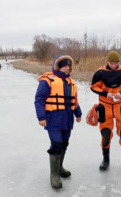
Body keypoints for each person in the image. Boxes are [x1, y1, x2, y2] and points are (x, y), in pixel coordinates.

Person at [34, 55, 82, 189]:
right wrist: (41, 117)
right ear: (58, 67)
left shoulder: (71, 83)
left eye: (68, 66)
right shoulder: (47, 81)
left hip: (67, 119)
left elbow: (75, 101)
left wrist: (78, 114)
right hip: (53, 119)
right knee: (56, 144)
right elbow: (39, 100)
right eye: (64, 65)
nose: (67, 68)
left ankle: (60, 168)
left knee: (64, 143)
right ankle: (54, 175)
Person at [90, 51, 121, 172]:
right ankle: (105, 160)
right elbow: (94, 86)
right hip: (105, 106)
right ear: (107, 61)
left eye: (115, 63)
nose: (113, 65)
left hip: (120, 106)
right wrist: (106, 94)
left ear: (118, 62)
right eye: (111, 63)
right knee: (105, 134)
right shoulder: (100, 72)